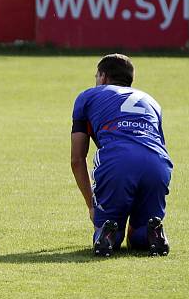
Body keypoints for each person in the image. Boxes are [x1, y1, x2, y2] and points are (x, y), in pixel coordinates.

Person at [70, 54, 173, 258]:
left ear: (104, 77)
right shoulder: (151, 101)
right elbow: (158, 142)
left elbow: (76, 159)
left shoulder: (88, 96)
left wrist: (92, 207)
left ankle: (107, 234)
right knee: (138, 237)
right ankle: (153, 232)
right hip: (158, 163)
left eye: (96, 76)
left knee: (111, 235)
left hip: (117, 161)